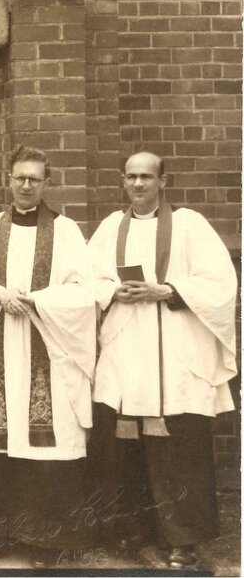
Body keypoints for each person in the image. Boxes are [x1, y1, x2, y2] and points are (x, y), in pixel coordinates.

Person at [87, 152, 237, 570]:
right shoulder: (108, 228)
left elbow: (221, 284)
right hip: (126, 353)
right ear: (122, 180)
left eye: (147, 177)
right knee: (127, 446)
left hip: (175, 355)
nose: (138, 184)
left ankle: (183, 540)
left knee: (179, 450)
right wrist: (112, 291)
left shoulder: (190, 225)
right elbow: (86, 278)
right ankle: (133, 532)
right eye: (132, 177)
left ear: (163, 181)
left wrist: (166, 290)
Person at [0, 145, 96, 568]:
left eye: (35, 178)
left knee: (44, 439)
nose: (27, 185)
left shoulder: (66, 231)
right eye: (20, 178)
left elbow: (83, 290)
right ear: (8, 180)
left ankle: (46, 540)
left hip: (46, 348)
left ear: (46, 182)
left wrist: (36, 301)